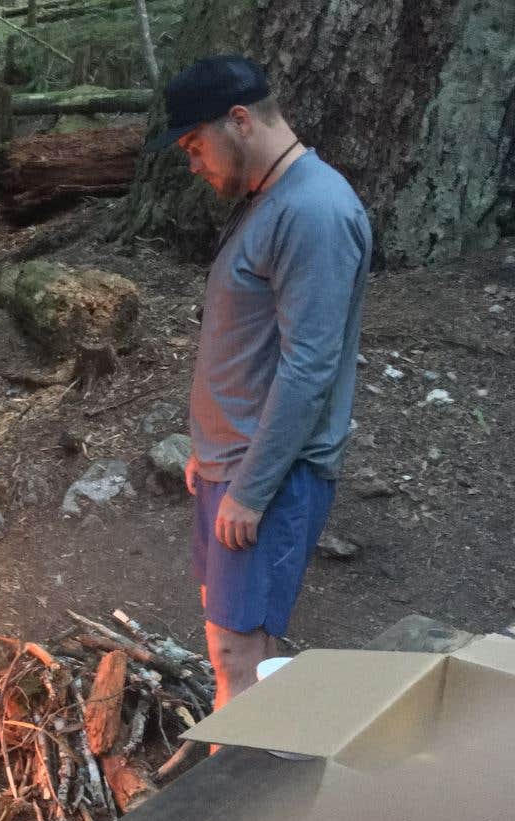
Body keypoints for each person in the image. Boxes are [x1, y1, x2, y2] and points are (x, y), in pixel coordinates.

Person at [146, 55, 373, 710]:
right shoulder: (267, 200)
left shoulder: (312, 210)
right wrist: (208, 449)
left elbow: (309, 365)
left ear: (239, 121)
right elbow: (247, 342)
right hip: (231, 462)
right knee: (237, 645)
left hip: (268, 474)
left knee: (238, 655)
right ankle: (261, 759)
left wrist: (249, 488)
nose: (193, 165)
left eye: (194, 145)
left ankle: (241, 776)